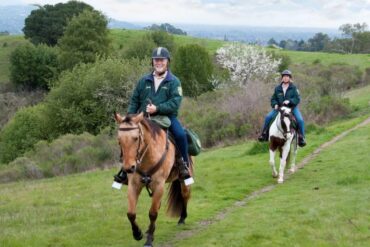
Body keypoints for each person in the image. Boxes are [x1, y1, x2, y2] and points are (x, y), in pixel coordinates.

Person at [114, 47, 191, 184]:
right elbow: (134, 100)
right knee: (128, 137)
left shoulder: (174, 81)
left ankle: (184, 166)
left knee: (180, 135)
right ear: (152, 62)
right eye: (156, 60)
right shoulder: (143, 81)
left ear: (167, 62)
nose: (159, 62)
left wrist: (158, 108)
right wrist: (130, 118)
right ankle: (124, 170)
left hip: (167, 117)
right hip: (144, 119)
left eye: (162, 60)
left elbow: (175, 102)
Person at [258, 70, 306, 147]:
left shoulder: (294, 88)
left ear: (290, 78)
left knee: (300, 120)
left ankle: (302, 138)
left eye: (287, 76)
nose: (285, 78)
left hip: (292, 108)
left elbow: (297, 99)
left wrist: (290, 101)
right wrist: (275, 104)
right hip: (280, 108)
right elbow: (273, 99)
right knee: (268, 117)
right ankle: (264, 134)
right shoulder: (277, 88)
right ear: (282, 78)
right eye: (284, 76)